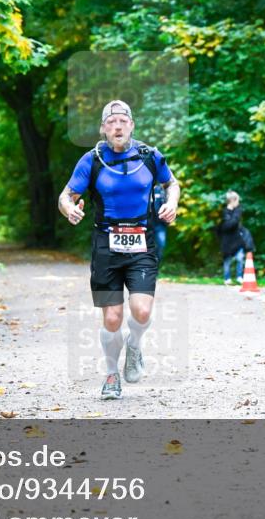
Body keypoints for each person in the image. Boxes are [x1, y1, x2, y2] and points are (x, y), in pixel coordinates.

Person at [58, 100, 180, 400]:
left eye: (123, 120)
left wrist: (172, 203)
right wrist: (69, 209)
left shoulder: (150, 156)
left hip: (142, 241)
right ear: (103, 128)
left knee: (141, 311)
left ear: (132, 125)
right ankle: (112, 375)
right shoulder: (92, 159)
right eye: (111, 121)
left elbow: (172, 184)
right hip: (106, 245)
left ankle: (135, 346)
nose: (117, 126)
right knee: (111, 319)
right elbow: (66, 195)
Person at [218, 190, 245, 285]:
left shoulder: (238, 210)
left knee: (240, 258)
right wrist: (230, 220)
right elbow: (227, 225)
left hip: (237, 239)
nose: (238, 202)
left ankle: (239, 276)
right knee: (227, 260)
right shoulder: (225, 211)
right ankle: (227, 278)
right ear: (232, 200)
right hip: (227, 241)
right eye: (237, 200)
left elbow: (232, 223)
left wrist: (230, 221)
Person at [152, 182, 168, 263]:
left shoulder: (165, 192)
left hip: (160, 225)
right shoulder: (151, 190)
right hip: (148, 224)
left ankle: (155, 269)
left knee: (161, 246)